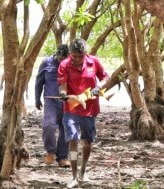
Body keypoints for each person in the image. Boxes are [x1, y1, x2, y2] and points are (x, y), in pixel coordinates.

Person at [57, 38, 109, 188]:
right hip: (71, 109)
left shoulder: (94, 62)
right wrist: (63, 94)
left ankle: (83, 171)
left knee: (86, 141)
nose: (78, 59)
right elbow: (63, 87)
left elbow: (105, 77)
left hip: (90, 108)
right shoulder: (64, 65)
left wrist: (99, 86)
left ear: (85, 54)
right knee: (72, 140)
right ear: (70, 54)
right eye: (75, 56)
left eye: (81, 56)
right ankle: (74, 176)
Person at [35, 44, 71, 168]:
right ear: (57, 55)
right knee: (48, 126)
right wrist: (37, 98)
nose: (62, 61)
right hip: (50, 101)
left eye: (65, 59)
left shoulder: (72, 64)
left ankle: (63, 157)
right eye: (61, 58)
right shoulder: (46, 63)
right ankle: (50, 151)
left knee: (66, 129)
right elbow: (39, 82)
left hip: (67, 102)